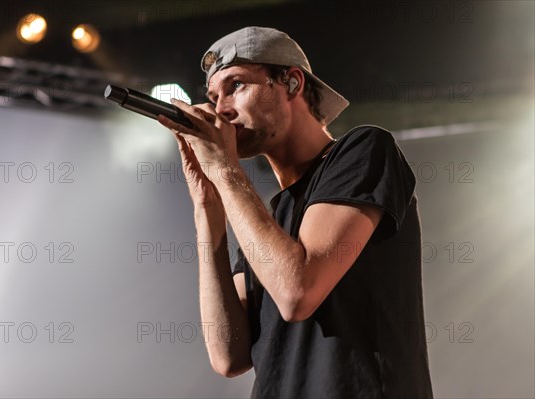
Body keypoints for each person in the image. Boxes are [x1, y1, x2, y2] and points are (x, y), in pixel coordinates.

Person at [157, 26, 433, 398]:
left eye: (236, 85)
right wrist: (207, 205)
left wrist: (225, 171)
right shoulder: (266, 217)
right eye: (213, 96)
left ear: (290, 83)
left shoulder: (364, 149)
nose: (221, 108)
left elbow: (297, 292)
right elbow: (228, 355)